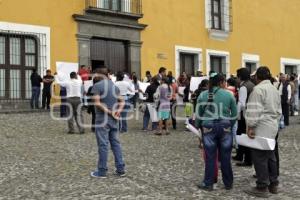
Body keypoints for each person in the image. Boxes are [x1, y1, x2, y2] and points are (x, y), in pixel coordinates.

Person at [195, 72, 237, 191]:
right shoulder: (229, 95)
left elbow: (198, 114)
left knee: (210, 156)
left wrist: (198, 127)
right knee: (225, 156)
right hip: (225, 127)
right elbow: (234, 114)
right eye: (224, 82)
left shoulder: (203, 95)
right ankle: (228, 183)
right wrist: (230, 125)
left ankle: (208, 183)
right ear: (220, 82)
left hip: (208, 127)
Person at [244, 66, 281, 198]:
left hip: (261, 125)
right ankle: (273, 183)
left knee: (259, 157)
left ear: (257, 77)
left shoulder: (258, 90)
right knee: (270, 155)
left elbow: (254, 111)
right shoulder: (274, 89)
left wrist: (250, 127)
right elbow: (279, 110)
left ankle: (262, 186)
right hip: (272, 125)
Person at [90, 67, 126, 178]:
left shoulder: (97, 86)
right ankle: (120, 169)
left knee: (103, 144)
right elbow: (122, 101)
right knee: (115, 143)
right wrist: (118, 111)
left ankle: (102, 171)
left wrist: (109, 112)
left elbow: (97, 103)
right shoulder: (114, 86)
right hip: (114, 119)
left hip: (102, 119)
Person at [233, 68, 255, 167]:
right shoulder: (252, 84)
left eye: (237, 77)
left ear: (240, 77)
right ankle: (240, 155)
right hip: (250, 113)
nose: (236, 79)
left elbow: (241, 103)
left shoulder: (243, 87)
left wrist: (236, 115)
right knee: (243, 135)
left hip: (244, 115)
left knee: (242, 135)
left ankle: (247, 159)